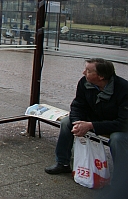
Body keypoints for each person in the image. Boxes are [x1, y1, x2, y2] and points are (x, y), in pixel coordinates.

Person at [45, 58, 128, 187]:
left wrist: (91, 125)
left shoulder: (124, 89)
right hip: (93, 119)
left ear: (101, 76)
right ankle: (63, 163)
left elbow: (123, 123)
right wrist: (78, 122)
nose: (84, 72)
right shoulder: (85, 82)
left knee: (118, 139)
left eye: (88, 71)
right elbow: (78, 105)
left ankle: (120, 180)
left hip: (118, 125)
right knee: (67, 123)